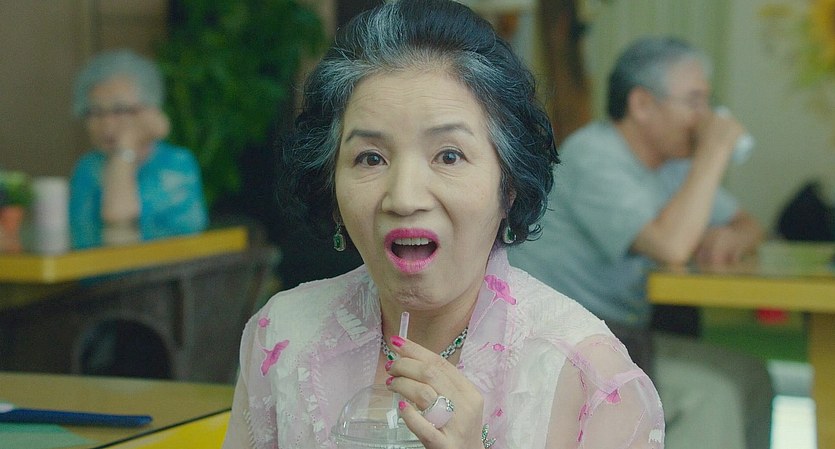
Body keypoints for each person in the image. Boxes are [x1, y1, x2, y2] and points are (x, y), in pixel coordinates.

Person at [223, 2, 664, 448]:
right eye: (371, 158)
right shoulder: (283, 336)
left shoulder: (587, 378)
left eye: (448, 156)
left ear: (509, 185)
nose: (404, 198)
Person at [509, 36, 772, 449]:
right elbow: (671, 246)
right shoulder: (594, 156)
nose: (705, 117)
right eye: (694, 101)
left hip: (622, 334)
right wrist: (715, 150)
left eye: (707, 102)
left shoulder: (672, 166)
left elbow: (749, 223)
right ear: (642, 104)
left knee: (753, 376)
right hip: (557, 341)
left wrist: (730, 235)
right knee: (714, 394)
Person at [69, 49, 207, 249]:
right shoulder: (87, 168)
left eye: (120, 110)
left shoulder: (177, 163)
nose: (107, 124)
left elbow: (119, 222)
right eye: (95, 112)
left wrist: (125, 149)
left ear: (151, 112)